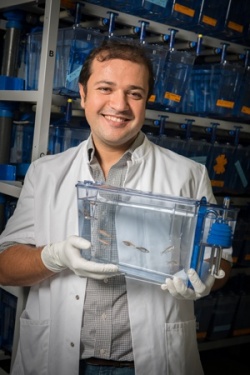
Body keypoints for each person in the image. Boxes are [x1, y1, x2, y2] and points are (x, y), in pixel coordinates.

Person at [0, 39, 232, 375]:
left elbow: (221, 260)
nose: (119, 104)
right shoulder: (46, 172)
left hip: (150, 361)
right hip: (57, 360)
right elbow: (5, 265)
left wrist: (208, 278)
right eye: (105, 88)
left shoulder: (188, 174)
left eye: (134, 93)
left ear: (146, 102)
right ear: (83, 94)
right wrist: (53, 257)